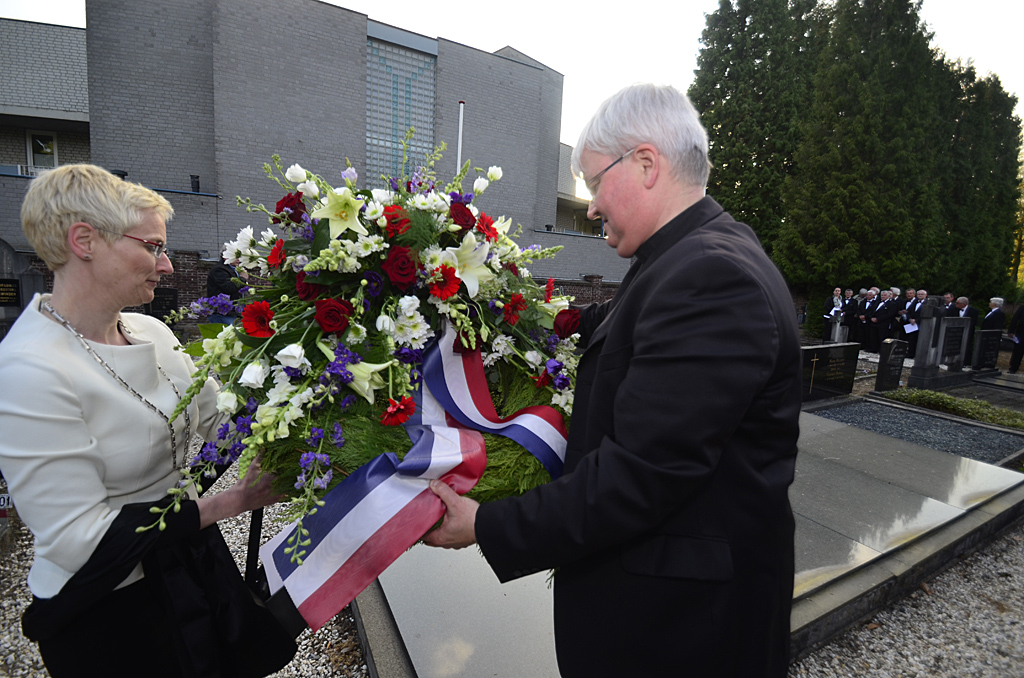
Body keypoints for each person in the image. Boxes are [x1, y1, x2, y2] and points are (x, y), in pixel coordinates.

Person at [423, 84, 801, 677]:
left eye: (595, 182)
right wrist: (491, 309)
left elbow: (640, 476)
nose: (591, 206)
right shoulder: (687, 258)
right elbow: (609, 331)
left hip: (680, 634)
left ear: (647, 164)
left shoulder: (710, 275)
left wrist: (488, 524)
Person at [0, 165, 296, 678]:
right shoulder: (29, 369)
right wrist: (233, 501)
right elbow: (81, 538)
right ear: (85, 240)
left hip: (183, 562)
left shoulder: (149, 329)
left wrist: (305, 410)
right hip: (110, 608)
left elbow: (217, 422)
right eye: (153, 247)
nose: (165, 266)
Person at [954, 296, 980, 367]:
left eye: (957, 303)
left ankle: (965, 362)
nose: (956, 304)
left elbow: (974, 322)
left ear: (963, 304)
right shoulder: (955, 309)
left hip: (968, 332)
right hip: (956, 331)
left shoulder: (973, 311)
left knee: (967, 346)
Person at [1009, 303, 1024, 374]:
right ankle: (1013, 368)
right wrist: (1011, 331)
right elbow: (1015, 319)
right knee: (1018, 351)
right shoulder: (1022, 307)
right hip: (1021, 333)